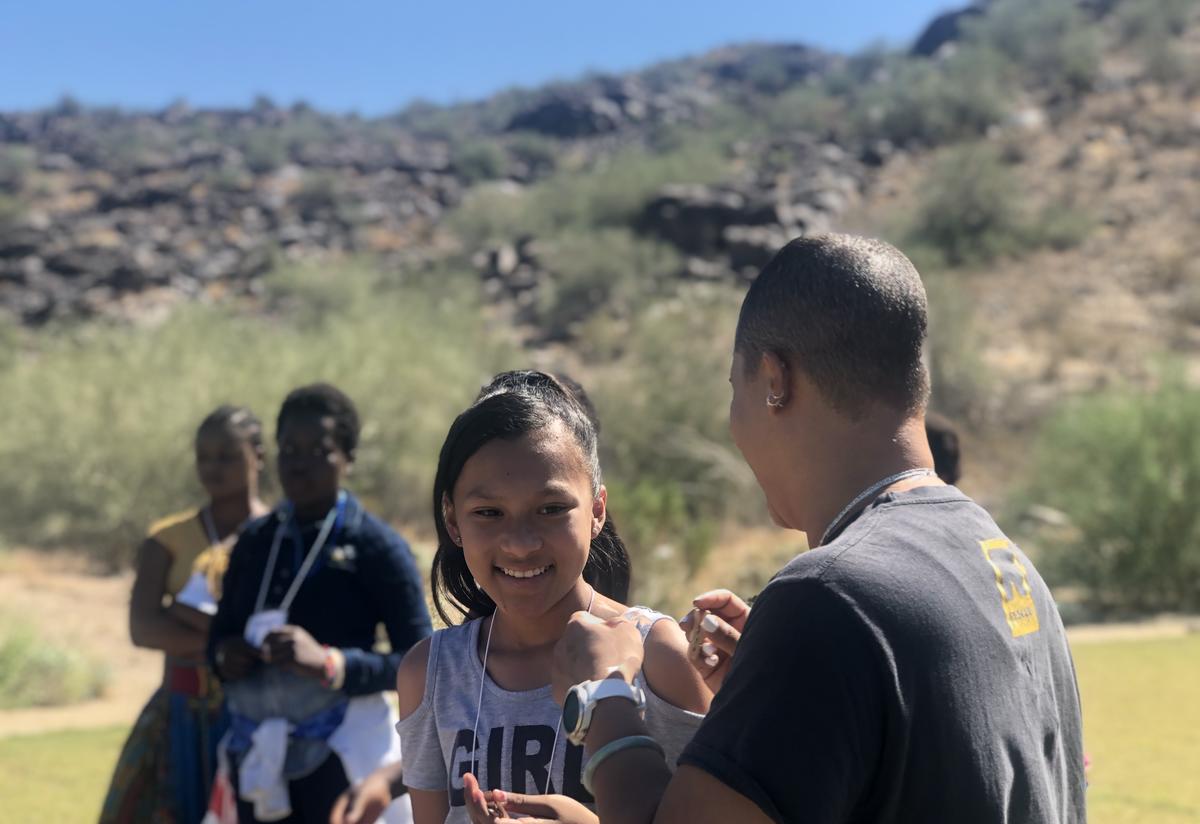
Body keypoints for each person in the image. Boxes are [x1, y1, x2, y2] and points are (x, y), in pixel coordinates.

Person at [549, 235, 1086, 824]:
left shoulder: (826, 597)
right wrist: (771, 691)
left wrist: (604, 697)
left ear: (775, 379)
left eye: (736, 390)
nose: (734, 424)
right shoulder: (1005, 561)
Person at [394, 370, 711, 824]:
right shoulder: (430, 675)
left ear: (598, 510)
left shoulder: (658, 657)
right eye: (488, 512)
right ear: (452, 520)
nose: (520, 543)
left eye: (551, 509)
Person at [207, 383, 433, 824]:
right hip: (254, 752)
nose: (299, 462)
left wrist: (332, 664)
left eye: (318, 450)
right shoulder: (255, 542)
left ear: (347, 457)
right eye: (289, 448)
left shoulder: (375, 546)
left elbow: (422, 661)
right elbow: (219, 635)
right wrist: (224, 655)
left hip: (340, 758)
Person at [101, 405, 269, 824]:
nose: (213, 467)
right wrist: (230, 643)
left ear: (259, 456)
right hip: (179, 713)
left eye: (227, 455)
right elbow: (144, 629)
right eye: (204, 456)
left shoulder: (280, 534)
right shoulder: (166, 539)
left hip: (260, 711)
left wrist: (186, 617)